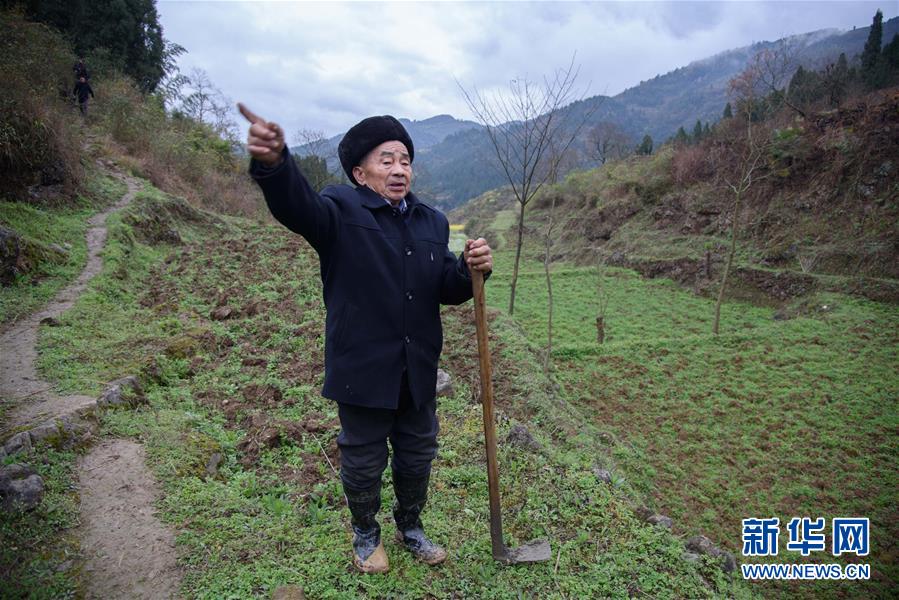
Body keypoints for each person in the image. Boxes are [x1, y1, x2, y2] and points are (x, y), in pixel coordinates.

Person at [239, 103, 493, 574]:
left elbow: (446, 289)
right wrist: (275, 164)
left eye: (405, 160)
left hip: (416, 367)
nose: (399, 170)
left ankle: (410, 526)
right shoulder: (338, 211)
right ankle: (365, 534)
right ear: (359, 172)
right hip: (363, 368)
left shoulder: (432, 222)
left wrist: (470, 270)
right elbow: (296, 205)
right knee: (363, 458)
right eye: (386, 160)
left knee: (418, 453)